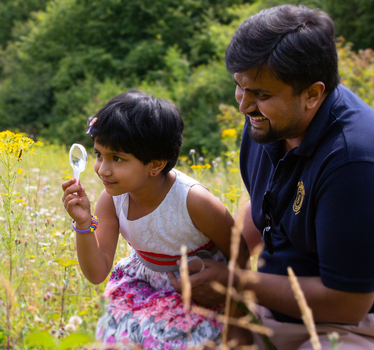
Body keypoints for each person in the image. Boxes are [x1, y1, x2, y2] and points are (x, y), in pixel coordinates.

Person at [169, 4, 374, 349]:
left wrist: (235, 282)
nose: (244, 105)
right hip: (267, 302)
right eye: (240, 86)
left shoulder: (353, 163)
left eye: (261, 94)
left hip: (343, 328)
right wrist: (215, 259)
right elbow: (265, 204)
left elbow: (349, 303)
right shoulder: (269, 122)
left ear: (312, 94)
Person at [61, 90, 249, 349]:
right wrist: (83, 224)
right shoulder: (112, 200)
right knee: (119, 339)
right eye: (98, 155)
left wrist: (237, 312)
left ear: (156, 165)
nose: (102, 170)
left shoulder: (193, 201)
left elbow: (239, 255)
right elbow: (96, 272)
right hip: (144, 285)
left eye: (117, 158)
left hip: (199, 287)